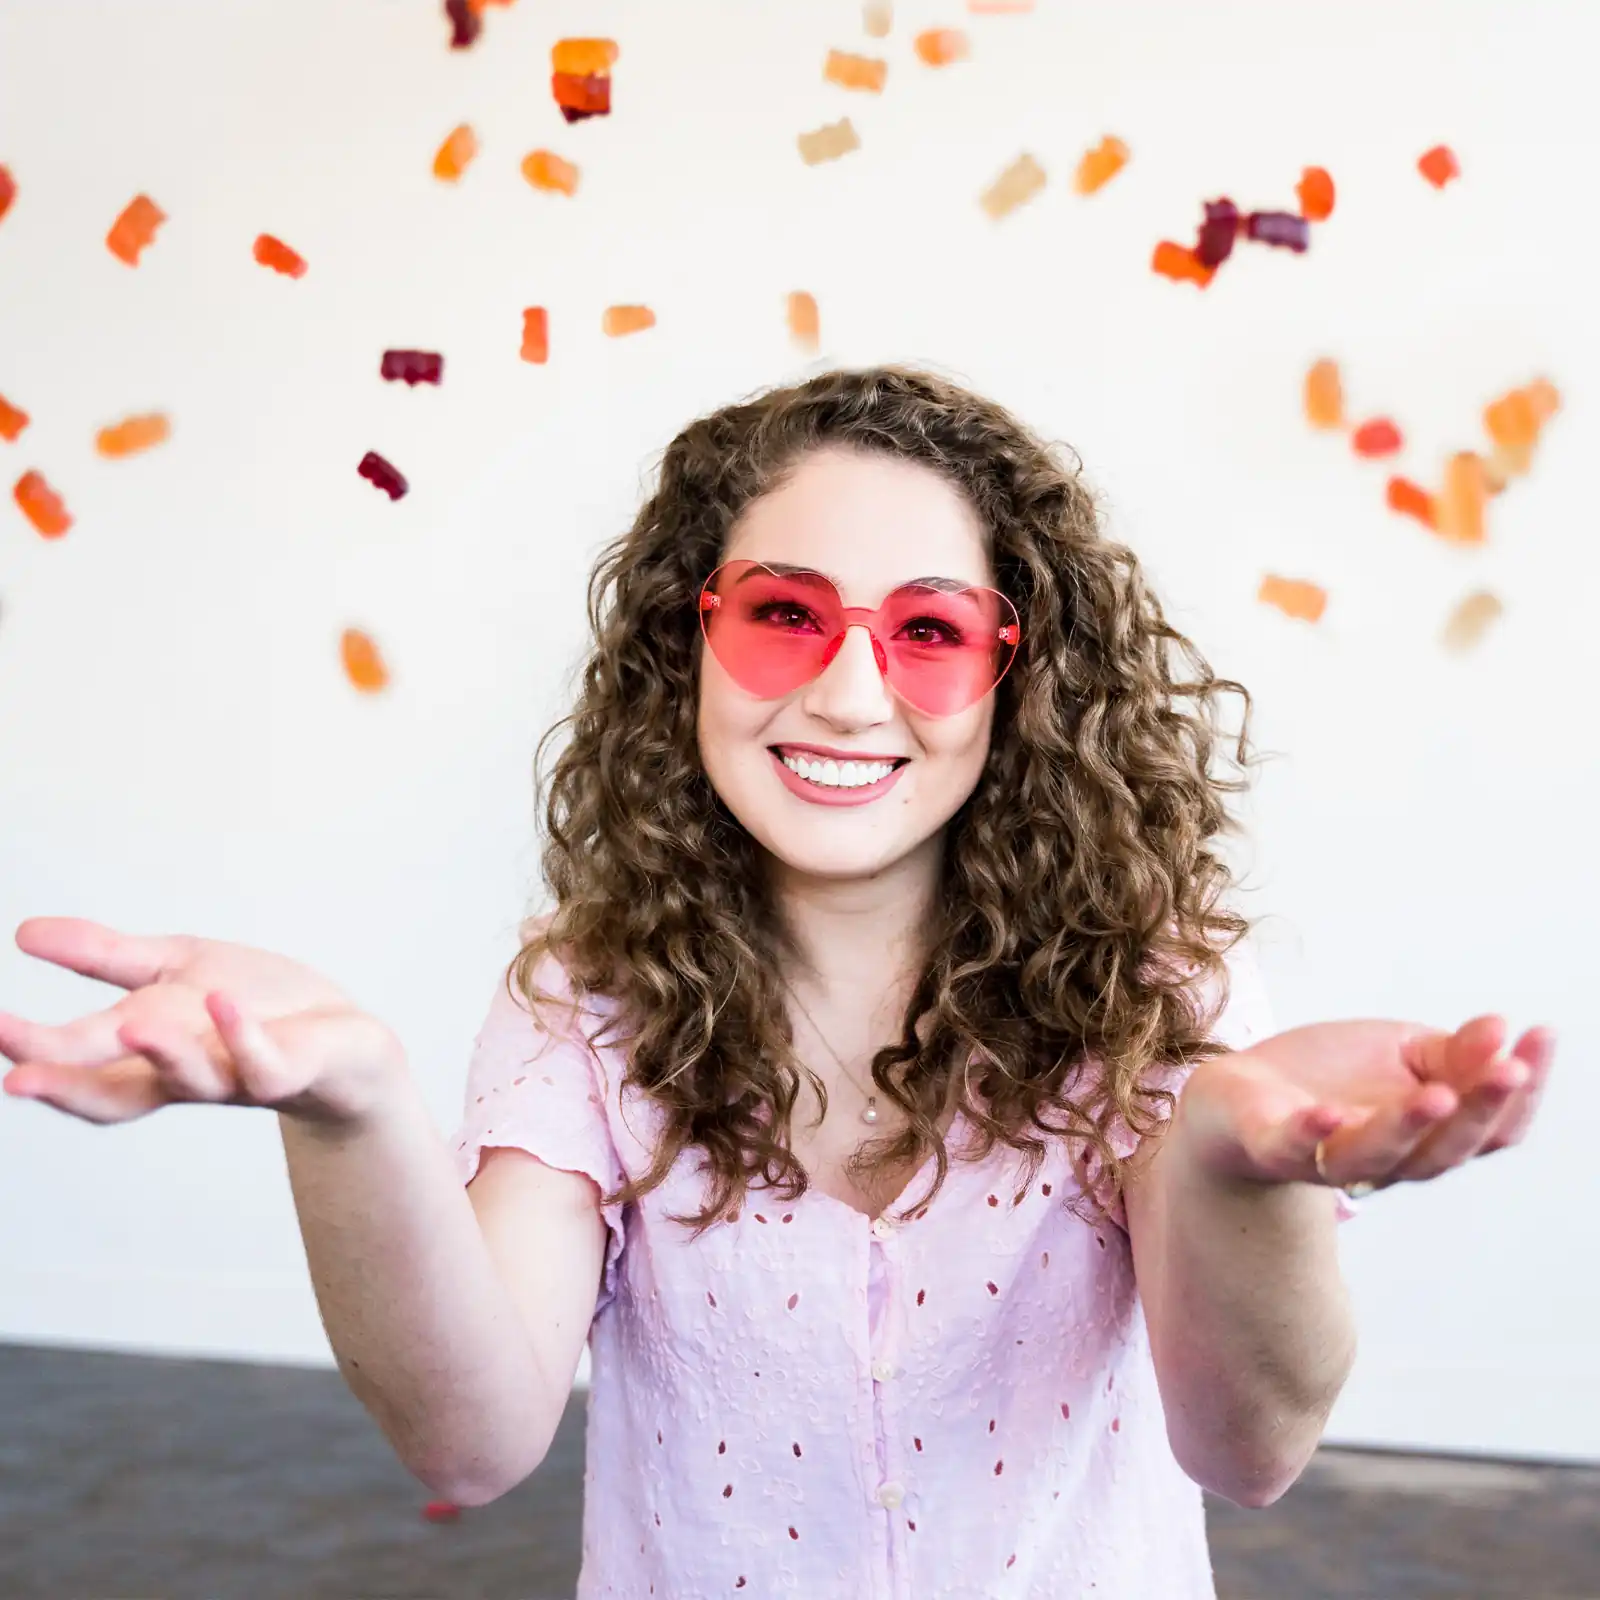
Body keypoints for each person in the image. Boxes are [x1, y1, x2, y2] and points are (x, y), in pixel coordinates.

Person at [0, 367, 1555, 1598]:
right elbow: (468, 1442)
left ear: (1017, 682)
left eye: (929, 633)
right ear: (692, 640)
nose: (849, 687)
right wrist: (347, 1108)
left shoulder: (1161, 983)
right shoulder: (584, 1002)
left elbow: (1253, 1450)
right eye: (786, 613)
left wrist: (1230, 1157)